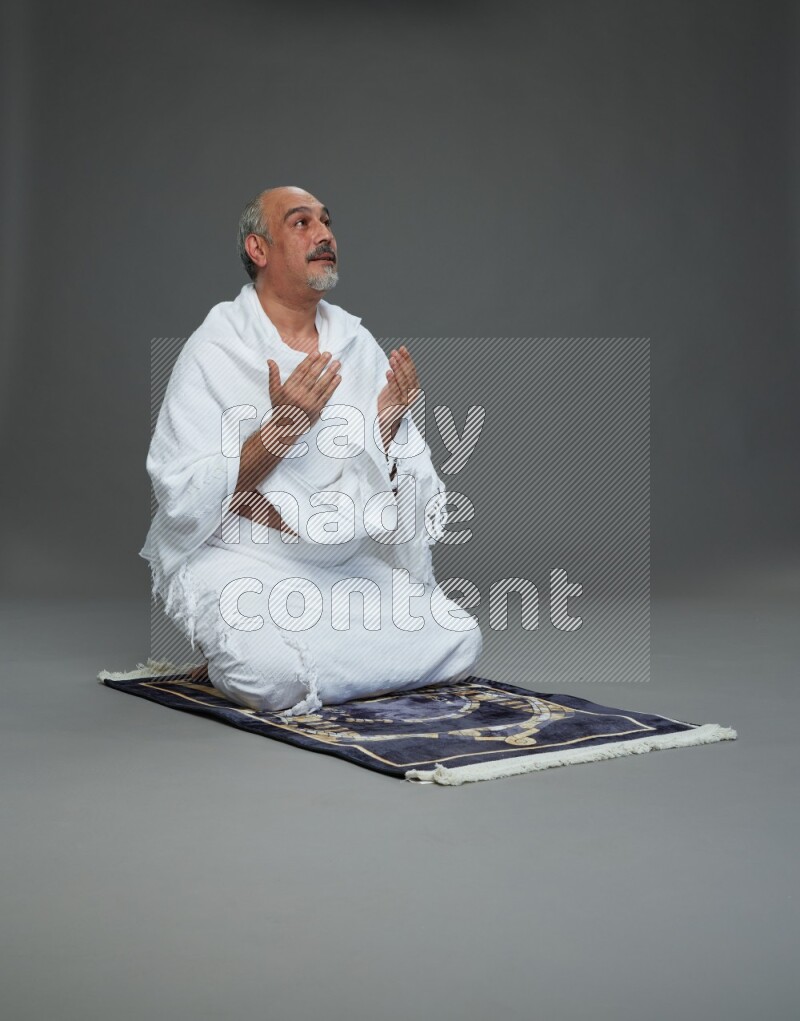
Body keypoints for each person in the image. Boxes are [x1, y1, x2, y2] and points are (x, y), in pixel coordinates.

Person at [139, 186, 483, 716]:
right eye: (301, 223)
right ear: (259, 249)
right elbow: (182, 493)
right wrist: (284, 428)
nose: (324, 235)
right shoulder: (217, 347)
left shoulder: (354, 343)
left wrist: (388, 427)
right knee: (270, 677)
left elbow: (381, 488)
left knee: (460, 637)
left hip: (340, 564)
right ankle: (302, 663)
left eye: (326, 222)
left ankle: (319, 667)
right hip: (244, 560)